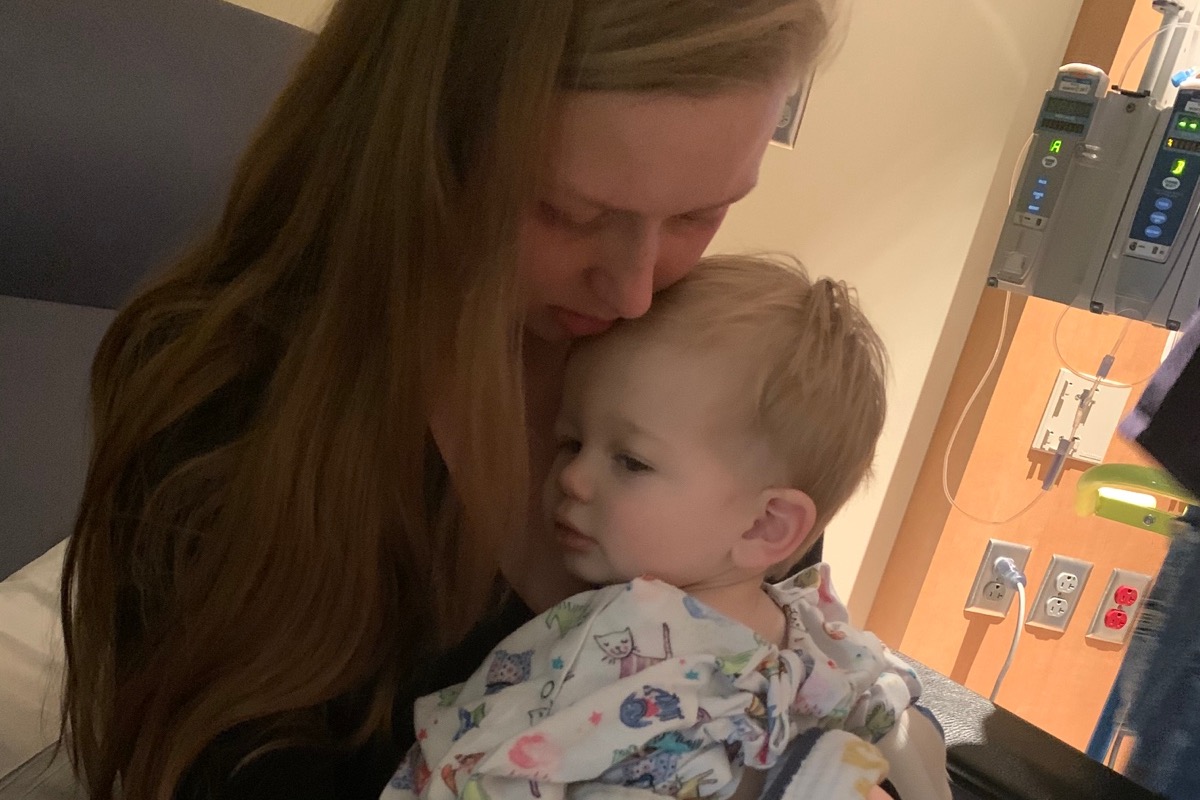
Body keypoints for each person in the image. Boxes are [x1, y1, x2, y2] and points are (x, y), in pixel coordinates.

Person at [59, 2, 836, 800]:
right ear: (424, 144)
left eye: (700, 215)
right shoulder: (232, 403)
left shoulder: (721, 374)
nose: (634, 291)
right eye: (569, 213)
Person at [382, 256, 952, 800]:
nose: (572, 478)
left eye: (631, 461)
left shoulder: (616, 645)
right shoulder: (824, 645)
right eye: (571, 442)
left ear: (764, 525)